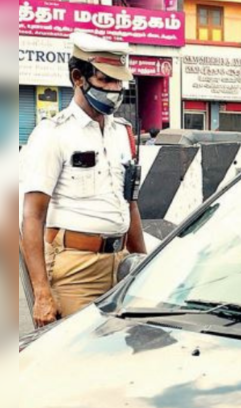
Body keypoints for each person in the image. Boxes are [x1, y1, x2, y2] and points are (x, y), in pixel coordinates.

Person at [20, 33, 147, 328]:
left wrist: (144, 265)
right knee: (76, 362)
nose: (115, 90)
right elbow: (32, 216)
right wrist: (41, 292)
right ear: (79, 77)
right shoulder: (53, 134)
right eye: (106, 80)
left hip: (121, 264)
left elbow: (131, 206)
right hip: (76, 270)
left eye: (119, 82)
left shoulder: (122, 134)